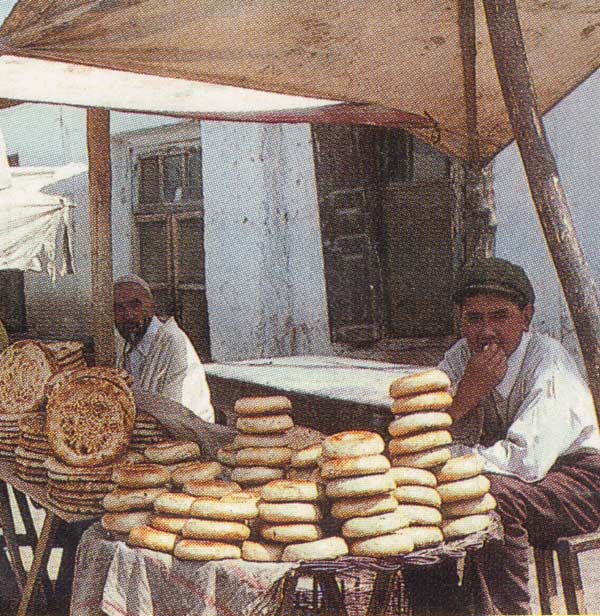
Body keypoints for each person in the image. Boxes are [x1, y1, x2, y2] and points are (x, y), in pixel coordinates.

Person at [436, 257, 600, 615]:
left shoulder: (548, 360)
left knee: (491, 495)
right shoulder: (458, 358)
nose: (486, 331)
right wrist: (465, 397)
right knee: (423, 497)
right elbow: (424, 432)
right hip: (515, 482)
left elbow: (526, 462)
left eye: (500, 316)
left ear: (525, 317)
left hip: (581, 485)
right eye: (473, 318)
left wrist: (452, 461)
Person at [113, 274, 215, 423]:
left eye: (135, 305)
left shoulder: (174, 343)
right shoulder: (124, 343)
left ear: (151, 306)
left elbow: (179, 414)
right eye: (119, 308)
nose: (128, 315)